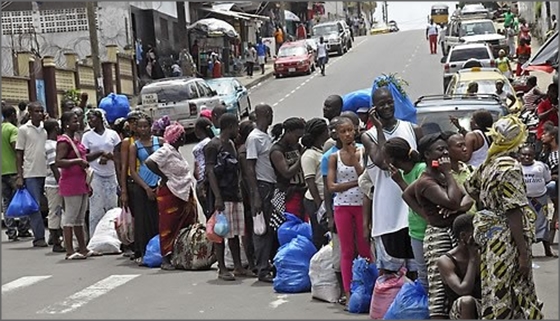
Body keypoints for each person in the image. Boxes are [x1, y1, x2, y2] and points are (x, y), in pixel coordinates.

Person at [464, 115, 544, 319]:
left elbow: (471, 189)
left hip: (490, 237)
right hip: (506, 238)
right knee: (511, 287)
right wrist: (524, 254)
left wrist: (489, 206)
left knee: (494, 283)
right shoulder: (510, 168)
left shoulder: (489, 164)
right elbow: (513, 211)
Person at [403, 133, 473, 319]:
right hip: (439, 235)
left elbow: (467, 197)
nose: (444, 153)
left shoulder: (439, 176)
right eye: (439, 150)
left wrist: (458, 205)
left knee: (456, 279)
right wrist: (428, 215)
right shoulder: (427, 181)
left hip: (454, 232)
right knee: (439, 288)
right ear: (427, 154)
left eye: (445, 149)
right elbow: (451, 200)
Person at [361, 87, 423, 279]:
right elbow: (382, 162)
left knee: (416, 269)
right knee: (390, 271)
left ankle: (415, 307)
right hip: (387, 212)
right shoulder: (368, 135)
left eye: (390, 102)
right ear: (374, 108)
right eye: (382, 104)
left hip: (412, 210)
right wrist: (379, 129)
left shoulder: (412, 129)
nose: (387, 106)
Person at [326, 117, 372, 308]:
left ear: (355, 131)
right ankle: (348, 292)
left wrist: (354, 161)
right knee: (347, 251)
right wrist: (355, 183)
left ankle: (369, 288)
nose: (347, 134)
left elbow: (365, 176)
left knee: (364, 248)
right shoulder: (334, 157)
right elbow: (331, 186)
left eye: (350, 130)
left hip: (361, 205)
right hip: (342, 206)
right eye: (343, 131)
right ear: (337, 134)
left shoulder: (362, 151)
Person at [205, 113, 254, 280]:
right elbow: (210, 172)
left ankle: (238, 266)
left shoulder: (231, 144)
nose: (238, 129)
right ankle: (222, 268)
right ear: (230, 126)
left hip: (234, 193)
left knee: (234, 233)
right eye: (236, 126)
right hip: (222, 195)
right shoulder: (213, 145)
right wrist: (217, 197)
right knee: (220, 232)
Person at [146, 122, 198, 270]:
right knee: (168, 225)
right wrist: (164, 176)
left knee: (186, 223)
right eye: (182, 136)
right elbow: (150, 162)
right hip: (170, 192)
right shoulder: (166, 151)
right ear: (177, 138)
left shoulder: (176, 152)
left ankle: (182, 254)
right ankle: (165, 258)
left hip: (183, 192)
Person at [383, 137, 428, 291]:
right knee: (422, 273)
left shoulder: (421, 169)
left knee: (432, 273)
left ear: (394, 159)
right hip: (415, 229)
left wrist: (400, 182)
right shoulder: (402, 173)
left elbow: (419, 198)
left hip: (428, 226)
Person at [55, 111, 98, 259]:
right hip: (70, 183)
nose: (77, 123)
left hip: (81, 182)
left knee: (80, 218)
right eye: (74, 121)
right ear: (66, 123)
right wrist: (77, 162)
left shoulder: (76, 139)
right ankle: (69, 250)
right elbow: (59, 161)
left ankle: (83, 248)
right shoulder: (64, 141)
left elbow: (85, 156)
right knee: (70, 218)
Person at [245, 103, 276, 283]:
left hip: (273, 186)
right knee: (262, 229)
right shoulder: (254, 138)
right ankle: (262, 268)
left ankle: (268, 263)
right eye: (270, 113)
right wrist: (255, 194)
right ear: (264, 114)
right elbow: (249, 167)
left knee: (271, 226)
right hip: (263, 187)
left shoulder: (267, 136)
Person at [81, 109, 121, 238]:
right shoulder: (87, 136)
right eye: (88, 119)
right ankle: (95, 239)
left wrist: (109, 157)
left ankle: (113, 238)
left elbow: (120, 155)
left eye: (92, 118)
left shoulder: (113, 134)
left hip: (111, 174)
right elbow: (84, 157)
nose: (90, 121)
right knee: (96, 209)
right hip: (95, 175)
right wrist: (99, 154)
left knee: (112, 207)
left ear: (99, 119)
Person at [129, 114, 162, 264]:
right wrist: (146, 188)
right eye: (140, 126)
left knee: (159, 218)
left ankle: (162, 250)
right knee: (143, 221)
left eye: (145, 126)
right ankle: (144, 252)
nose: (143, 129)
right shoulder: (134, 146)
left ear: (150, 127)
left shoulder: (159, 142)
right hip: (142, 186)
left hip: (160, 184)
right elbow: (133, 171)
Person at [15, 102, 48, 247]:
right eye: (36, 111)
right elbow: (18, 154)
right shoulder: (23, 130)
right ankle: (39, 236)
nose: (39, 114)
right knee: (35, 206)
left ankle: (54, 234)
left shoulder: (46, 128)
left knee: (50, 205)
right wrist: (19, 175)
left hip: (47, 172)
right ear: (30, 113)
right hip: (31, 173)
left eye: (41, 111)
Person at [437, 213, 482, 320]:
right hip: (460, 309)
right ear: (463, 236)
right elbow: (464, 290)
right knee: (467, 301)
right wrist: (472, 259)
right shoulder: (446, 261)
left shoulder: (482, 253)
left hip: (483, 304)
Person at [519, 145, 557, 257]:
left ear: (534, 156)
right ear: (519, 156)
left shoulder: (541, 166)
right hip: (525, 200)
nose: (527, 157)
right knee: (526, 225)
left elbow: (547, 180)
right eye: (524, 155)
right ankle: (528, 252)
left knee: (543, 223)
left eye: (529, 155)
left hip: (540, 199)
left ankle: (547, 250)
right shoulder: (516, 167)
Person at [2, 104, 31, 240]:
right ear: (13, 115)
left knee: (6, 201)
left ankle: (11, 231)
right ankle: (23, 229)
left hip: (2, 170)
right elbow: (16, 148)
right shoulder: (13, 129)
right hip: (14, 170)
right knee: (21, 199)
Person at [270, 117, 307, 220]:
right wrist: (301, 158)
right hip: (288, 194)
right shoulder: (277, 151)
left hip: (302, 191)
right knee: (292, 222)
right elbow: (286, 173)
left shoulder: (297, 146)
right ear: (288, 132)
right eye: (296, 136)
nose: (298, 140)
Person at [301, 118, 330, 249]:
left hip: (324, 199)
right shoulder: (309, 155)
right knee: (319, 235)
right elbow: (310, 182)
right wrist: (320, 205)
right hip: (315, 200)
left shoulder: (321, 150)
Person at [236, 120, 257, 272]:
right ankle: (252, 262)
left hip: (247, 194)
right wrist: (253, 195)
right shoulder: (244, 151)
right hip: (247, 195)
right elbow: (247, 176)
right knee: (248, 229)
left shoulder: (246, 148)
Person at [44, 119, 65, 253]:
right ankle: (56, 241)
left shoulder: (54, 143)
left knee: (59, 211)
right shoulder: (51, 146)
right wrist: (61, 183)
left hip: (56, 182)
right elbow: (54, 166)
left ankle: (57, 237)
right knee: (55, 211)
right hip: (54, 183)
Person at [193, 117, 215, 217]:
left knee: (209, 214)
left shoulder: (199, 147)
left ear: (198, 130)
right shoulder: (213, 142)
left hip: (203, 182)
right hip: (209, 181)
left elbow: (196, 172)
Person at [540, 124, 558, 244]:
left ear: (553, 136)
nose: (542, 136)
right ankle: (549, 239)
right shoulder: (546, 152)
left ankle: (549, 238)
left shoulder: (556, 154)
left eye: (545, 134)